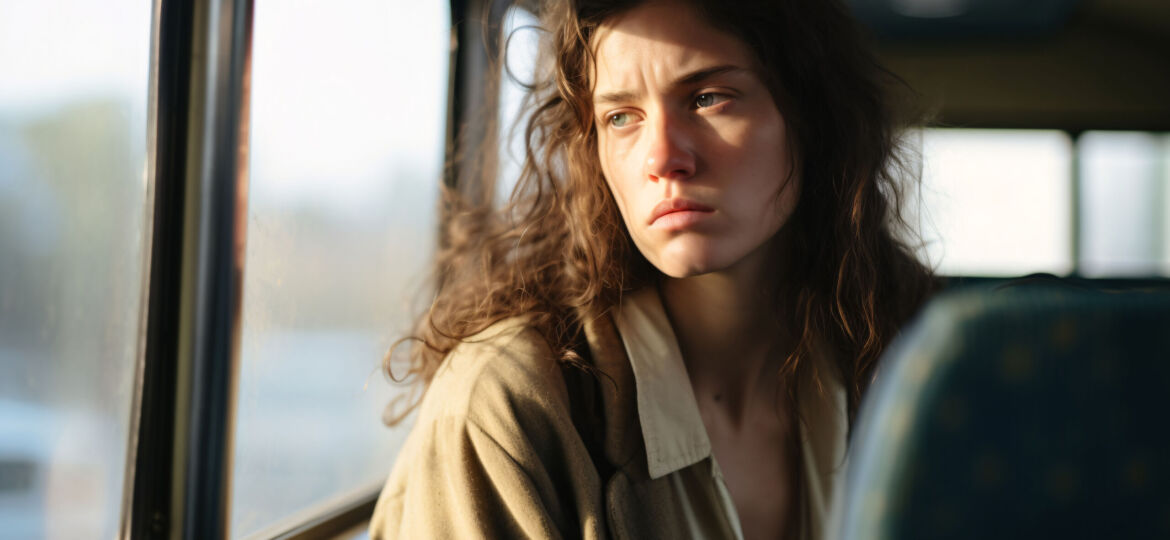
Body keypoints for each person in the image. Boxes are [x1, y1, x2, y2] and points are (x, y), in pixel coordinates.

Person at [370, 0, 934, 538]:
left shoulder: (900, 355)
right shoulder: (508, 405)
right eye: (621, 117)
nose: (661, 157)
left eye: (709, 98)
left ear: (810, 117)